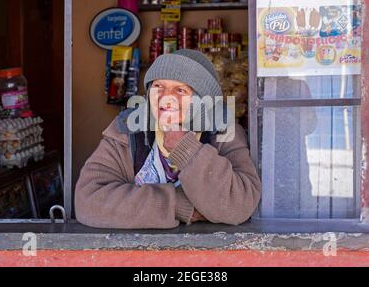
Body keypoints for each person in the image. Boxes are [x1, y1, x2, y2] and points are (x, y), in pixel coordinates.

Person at [75, 49, 261, 229]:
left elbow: (239, 205)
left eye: (180, 90)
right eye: (158, 87)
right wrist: (178, 205)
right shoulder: (127, 130)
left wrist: (186, 149)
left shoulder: (223, 131)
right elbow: (89, 201)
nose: (166, 98)